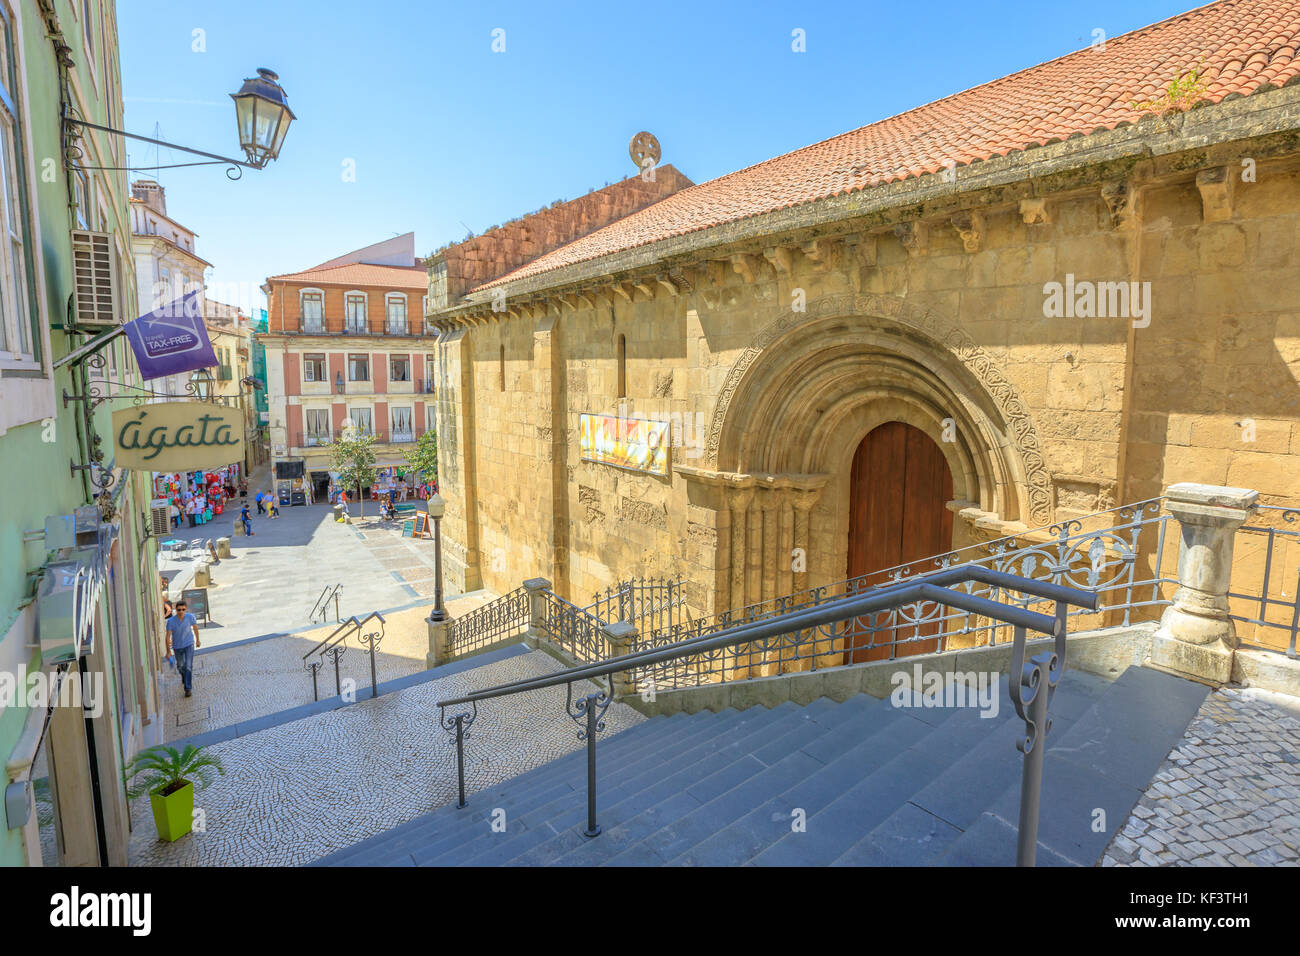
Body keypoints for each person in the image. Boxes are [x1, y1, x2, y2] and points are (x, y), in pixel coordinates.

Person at [165, 600, 200, 697]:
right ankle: (184, 676)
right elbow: (167, 637)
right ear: (175, 610)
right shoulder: (171, 621)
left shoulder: (190, 617)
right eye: (179, 610)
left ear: (186, 609)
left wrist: (197, 640)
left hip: (189, 644)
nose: (181, 611)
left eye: (183, 609)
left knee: (188, 666)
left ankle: (188, 688)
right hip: (177, 647)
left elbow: (195, 628)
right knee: (180, 666)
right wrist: (168, 651)